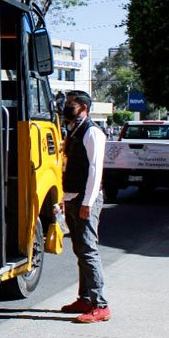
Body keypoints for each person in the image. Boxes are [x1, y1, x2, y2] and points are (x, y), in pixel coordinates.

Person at [60, 90, 111, 323]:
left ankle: (100, 304)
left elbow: (94, 170)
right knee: (80, 250)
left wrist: (87, 203)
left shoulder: (92, 132)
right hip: (73, 197)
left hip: (85, 199)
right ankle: (85, 298)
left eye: (71, 103)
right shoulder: (75, 131)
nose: (66, 106)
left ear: (83, 107)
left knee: (88, 250)